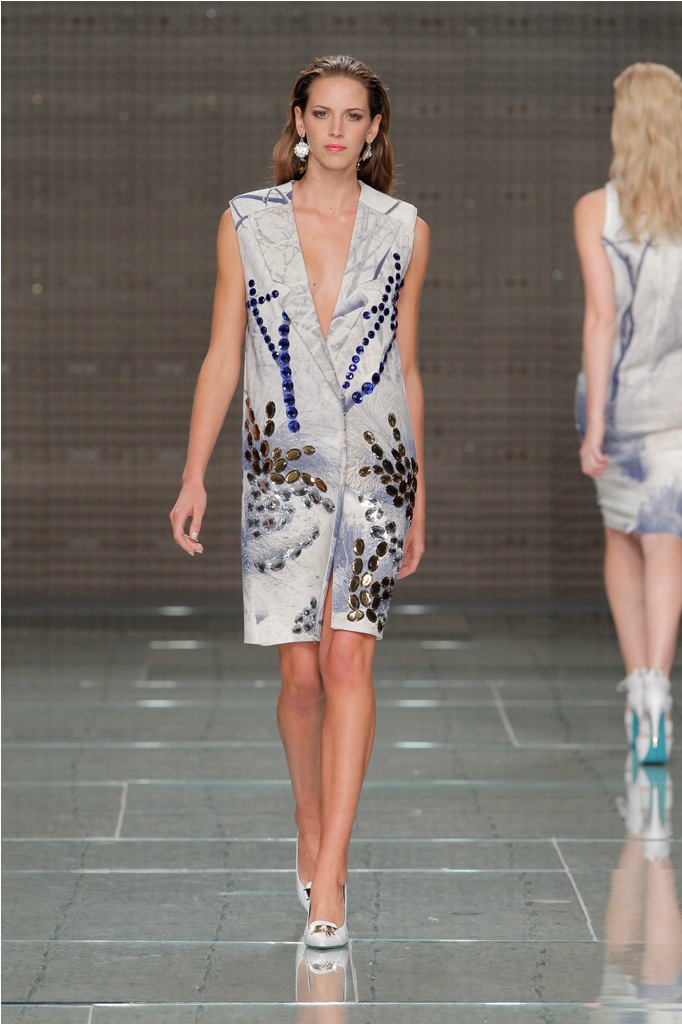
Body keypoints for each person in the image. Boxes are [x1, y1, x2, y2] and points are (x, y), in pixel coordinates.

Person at [170, 55, 429, 948]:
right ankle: (309, 823)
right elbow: (222, 353)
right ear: (299, 120)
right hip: (281, 466)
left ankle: (332, 877)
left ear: (374, 129)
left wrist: (420, 495)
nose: (337, 130)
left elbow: (407, 367)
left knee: (350, 662)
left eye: (354, 116)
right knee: (302, 676)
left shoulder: (404, 229)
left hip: (377, 467)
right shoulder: (248, 221)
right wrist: (194, 472)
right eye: (323, 113)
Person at [574, 62, 682, 765]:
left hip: (617, 401)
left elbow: (602, 320)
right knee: (666, 540)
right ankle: (658, 692)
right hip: (677, 406)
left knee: (623, 538)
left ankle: (637, 684)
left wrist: (596, 425)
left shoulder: (595, 209)